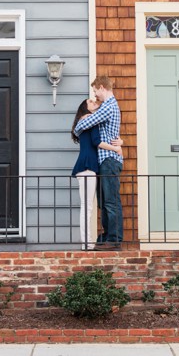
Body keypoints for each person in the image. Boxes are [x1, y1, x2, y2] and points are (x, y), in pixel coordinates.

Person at [72, 75, 123, 250]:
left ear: (101, 87)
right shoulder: (106, 108)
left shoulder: (108, 107)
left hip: (109, 160)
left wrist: (82, 121)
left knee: (110, 201)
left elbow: (80, 128)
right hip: (104, 161)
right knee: (104, 202)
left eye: (95, 91)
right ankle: (107, 236)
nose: (95, 96)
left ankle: (114, 239)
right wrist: (119, 144)